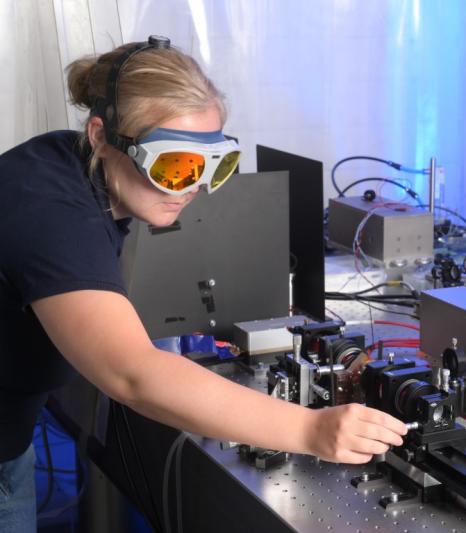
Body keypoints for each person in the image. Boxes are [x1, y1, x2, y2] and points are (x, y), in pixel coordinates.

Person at [0, 36, 406, 532]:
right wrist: (313, 429)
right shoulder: (51, 209)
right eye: (174, 166)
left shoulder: (72, 166)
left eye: (213, 165)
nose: (193, 188)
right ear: (102, 135)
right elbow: (133, 374)